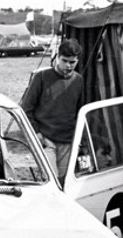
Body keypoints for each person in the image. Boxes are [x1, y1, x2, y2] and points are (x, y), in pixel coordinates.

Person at [20, 38, 84, 184]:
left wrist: (79, 139)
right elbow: (26, 109)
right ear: (57, 56)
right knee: (50, 181)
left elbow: (80, 112)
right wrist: (38, 135)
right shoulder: (41, 78)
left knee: (64, 180)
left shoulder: (78, 81)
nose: (68, 65)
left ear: (78, 60)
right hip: (46, 140)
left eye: (72, 62)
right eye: (64, 60)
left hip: (68, 141)